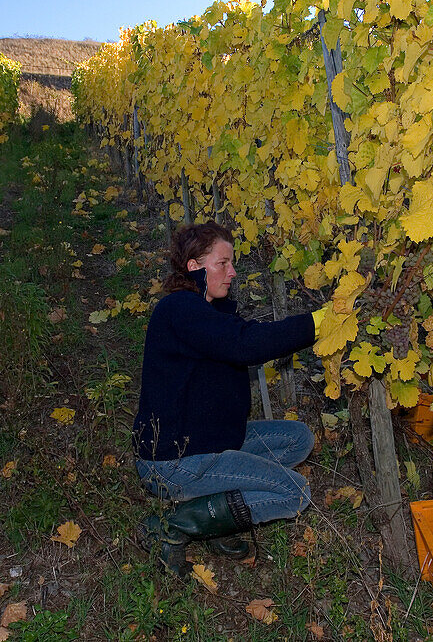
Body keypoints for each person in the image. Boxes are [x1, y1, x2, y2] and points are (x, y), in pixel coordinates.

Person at [133, 221, 324, 576]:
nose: (232, 272)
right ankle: (176, 524)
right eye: (223, 263)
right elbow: (244, 344)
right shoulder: (180, 309)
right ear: (195, 267)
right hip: (175, 460)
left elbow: (237, 340)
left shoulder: (207, 309)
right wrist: (317, 323)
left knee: (298, 439)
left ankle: (217, 516)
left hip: (209, 440)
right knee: (295, 493)